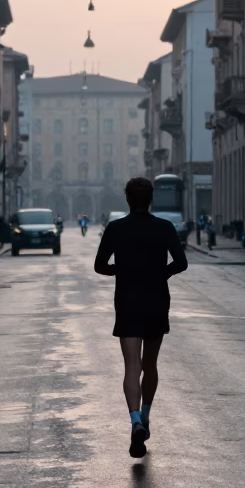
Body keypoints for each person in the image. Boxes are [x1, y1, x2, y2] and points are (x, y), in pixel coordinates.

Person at [94, 176, 188, 458]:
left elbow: (100, 266)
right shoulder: (164, 227)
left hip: (127, 302)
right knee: (151, 363)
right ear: (151, 199)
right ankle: (146, 414)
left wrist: (122, 271)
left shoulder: (115, 228)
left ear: (127, 199)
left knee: (131, 365)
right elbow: (181, 262)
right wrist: (161, 273)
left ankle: (134, 420)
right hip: (157, 301)